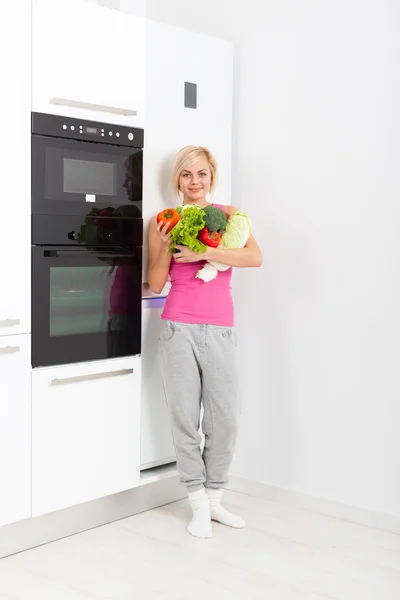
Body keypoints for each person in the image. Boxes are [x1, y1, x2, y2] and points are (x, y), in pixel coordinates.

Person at [147, 146, 262, 538]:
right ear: (177, 180)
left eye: (201, 174)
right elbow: (157, 283)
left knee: (225, 419)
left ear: (212, 177)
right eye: (186, 175)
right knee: (184, 420)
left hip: (220, 329)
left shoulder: (230, 217)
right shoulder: (164, 220)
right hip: (178, 327)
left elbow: (254, 258)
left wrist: (206, 250)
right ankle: (197, 504)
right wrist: (163, 245)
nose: (194, 182)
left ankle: (216, 499)